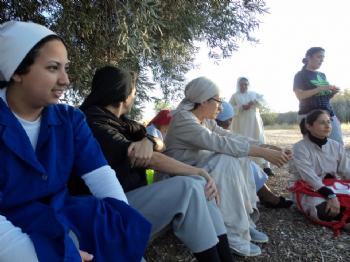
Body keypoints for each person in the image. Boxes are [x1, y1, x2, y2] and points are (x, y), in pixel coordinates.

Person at [0, 21, 152, 262]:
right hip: (16, 235)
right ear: (17, 72)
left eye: (66, 68)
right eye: (53, 68)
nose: (65, 80)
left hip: (69, 216)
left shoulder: (70, 119)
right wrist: (56, 256)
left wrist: (120, 225)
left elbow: (100, 175)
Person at [72, 66, 235, 262]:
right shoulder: (93, 124)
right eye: (133, 92)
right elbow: (151, 159)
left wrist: (148, 141)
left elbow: (159, 143)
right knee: (190, 184)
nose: (134, 96)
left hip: (128, 202)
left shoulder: (122, 122)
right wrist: (199, 171)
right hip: (106, 213)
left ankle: (226, 258)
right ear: (123, 95)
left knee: (199, 185)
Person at [164, 77, 292, 256]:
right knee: (228, 159)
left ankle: (243, 222)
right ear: (203, 101)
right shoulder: (184, 119)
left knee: (239, 157)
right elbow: (218, 143)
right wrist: (262, 153)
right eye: (218, 100)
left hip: (199, 169)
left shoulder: (204, 119)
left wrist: (265, 147)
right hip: (182, 175)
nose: (221, 106)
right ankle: (231, 233)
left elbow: (229, 136)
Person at [216, 102, 293, 209]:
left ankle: (265, 196)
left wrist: (272, 148)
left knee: (243, 160)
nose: (231, 122)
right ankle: (267, 197)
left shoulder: (214, 128)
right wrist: (264, 152)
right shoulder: (198, 128)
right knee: (239, 159)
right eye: (229, 119)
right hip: (204, 168)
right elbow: (230, 144)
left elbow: (237, 139)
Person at [289, 109, 350, 227]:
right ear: (309, 126)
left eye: (329, 122)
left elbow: (346, 170)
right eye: (322, 122)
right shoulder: (299, 148)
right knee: (322, 208)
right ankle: (345, 220)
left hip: (334, 185)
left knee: (337, 204)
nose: (328, 126)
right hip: (309, 188)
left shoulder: (336, 146)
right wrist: (331, 195)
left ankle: (344, 217)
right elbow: (308, 177)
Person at [293, 47, 343, 145]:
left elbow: (324, 97)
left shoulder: (322, 75)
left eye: (323, 58)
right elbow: (300, 96)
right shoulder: (300, 75)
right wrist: (319, 88)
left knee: (337, 146)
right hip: (309, 116)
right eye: (319, 57)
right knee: (315, 149)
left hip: (329, 115)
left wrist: (332, 92)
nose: (322, 60)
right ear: (308, 57)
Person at [229, 77, 274, 176]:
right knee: (244, 142)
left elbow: (264, 101)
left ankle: (266, 167)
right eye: (241, 84)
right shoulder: (235, 96)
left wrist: (255, 102)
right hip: (241, 123)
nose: (244, 86)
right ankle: (245, 166)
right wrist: (240, 107)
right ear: (238, 84)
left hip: (255, 122)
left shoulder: (253, 94)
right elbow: (229, 108)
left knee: (259, 140)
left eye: (246, 84)